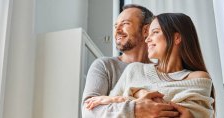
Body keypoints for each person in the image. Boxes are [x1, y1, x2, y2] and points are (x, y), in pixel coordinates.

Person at [84, 13, 215, 118]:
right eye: (149, 33)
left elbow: (174, 114)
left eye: (155, 32)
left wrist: (133, 96)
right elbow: (104, 111)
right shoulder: (134, 69)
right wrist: (132, 101)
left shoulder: (198, 78)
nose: (147, 39)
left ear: (177, 38)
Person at [82, 4, 180, 118]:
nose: (117, 30)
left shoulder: (163, 70)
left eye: (125, 23)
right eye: (115, 26)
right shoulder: (104, 65)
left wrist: (116, 101)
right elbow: (88, 112)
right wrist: (135, 109)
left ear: (146, 30)